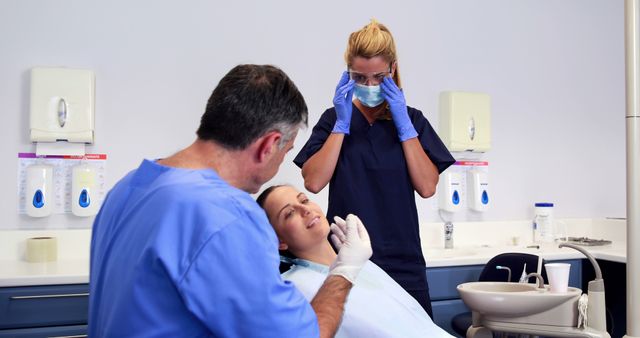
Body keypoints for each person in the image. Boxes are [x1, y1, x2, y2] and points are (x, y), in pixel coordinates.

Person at [89, 64, 372, 338]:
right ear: (268, 145)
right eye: (286, 150)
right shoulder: (226, 216)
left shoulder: (126, 188)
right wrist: (343, 272)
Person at [293, 20, 456, 317]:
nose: (369, 86)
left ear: (392, 70)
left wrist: (404, 126)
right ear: (348, 75)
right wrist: (341, 125)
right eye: (360, 77)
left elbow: (427, 187)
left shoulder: (413, 121)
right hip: (346, 262)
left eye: (378, 77)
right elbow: (314, 182)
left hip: (404, 263)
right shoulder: (333, 120)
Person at [256, 184, 454, 338]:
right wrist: (347, 267)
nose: (304, 209)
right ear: (279, 241)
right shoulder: (297, 287)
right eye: (289, 213)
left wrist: (354, 264)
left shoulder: (359, 262)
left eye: (304, 200)